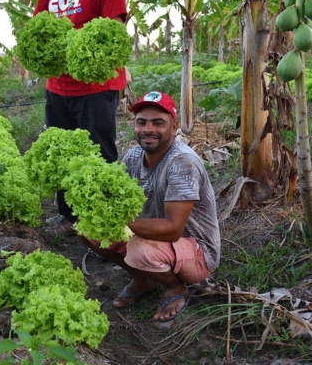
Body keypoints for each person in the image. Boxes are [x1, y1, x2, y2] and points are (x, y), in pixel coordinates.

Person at [83, 91, 221, 322]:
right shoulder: (134, 155)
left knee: (139, 249)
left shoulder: (182, 162)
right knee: (87, 227)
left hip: (196, 251)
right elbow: (116, 198)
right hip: (151, 237)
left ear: (174, 126)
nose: (148, 129)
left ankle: (176, 287)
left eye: (158, 123)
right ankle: (143, 279)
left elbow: (173, 229)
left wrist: (118, 219)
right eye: (142, 122)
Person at [34, 0, 128, 237]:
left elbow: (113, 34)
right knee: (63, 154)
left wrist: (79, 49)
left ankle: (102, 224)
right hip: (58, 88)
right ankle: (68, 218)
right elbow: (38, 31)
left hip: (95, 88)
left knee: (99, 154)